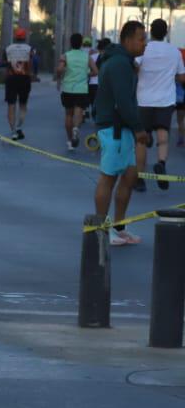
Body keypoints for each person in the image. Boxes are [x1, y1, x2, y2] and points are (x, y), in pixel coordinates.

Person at [94, 21, 150, 246]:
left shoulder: (125, 62)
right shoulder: (118, 64)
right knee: (109, 177)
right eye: (140, 38)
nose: (144, 43)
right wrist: (139, 129)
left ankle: (119, 226)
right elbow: (123, 101)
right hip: (114, 128)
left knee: (129, 177)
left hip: (123, 128)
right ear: (127, 39)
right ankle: (101, 228)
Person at [132, 19, 184, 192]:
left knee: (141, 140)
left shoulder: (143, 49)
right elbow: (182, 77)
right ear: (166, 32)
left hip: (144, 100)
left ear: (150, 32)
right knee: (163, 137)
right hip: (165, 100)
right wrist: (170, 76)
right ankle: (161, 163)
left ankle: (140, 179)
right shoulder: (174, 51)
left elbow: (134, 67)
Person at [56, 33, 96, 151]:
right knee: (79, 111)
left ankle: (69, 141)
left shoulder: (65, 56)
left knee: (69, 114)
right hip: (82, 90)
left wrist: (60, 75)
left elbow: (59, 69)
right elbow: (96, 71)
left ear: (70, 43)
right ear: (81, 44)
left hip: (68, 89)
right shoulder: (86, 57)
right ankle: (76, 129)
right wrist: (87, 74)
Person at [3, 28, 35, 141]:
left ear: (15, 37)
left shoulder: (8, 49)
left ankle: (13, 132)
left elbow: (4, 63)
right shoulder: (29, 49)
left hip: (11, 79)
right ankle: (19, 126)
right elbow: (32, 62)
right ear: (24, 37)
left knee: (11, 105)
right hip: (24, 79)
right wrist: (32, 75)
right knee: (23, 105)